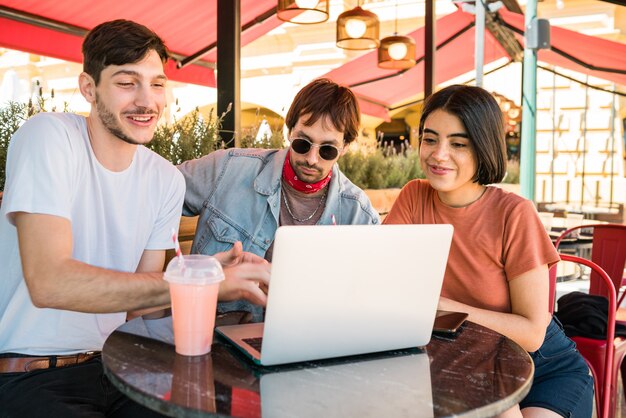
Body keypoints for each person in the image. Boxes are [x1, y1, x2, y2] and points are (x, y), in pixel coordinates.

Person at [0, 19, 269, 417]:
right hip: (35, 373)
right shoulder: (49, 137)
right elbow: (49, 283)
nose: (147, 101)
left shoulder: (164, 179)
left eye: (157, 83)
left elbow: (139, 311)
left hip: (122, 368)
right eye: (127, 82)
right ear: (89, 88)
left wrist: (206, 277)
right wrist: (199, 280)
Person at [384, 85, 593, 418]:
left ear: (483, 148)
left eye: (458, 144)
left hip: (544, 368)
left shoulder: (515, 213)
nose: (439, 154)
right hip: (470, 364)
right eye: (430, 139)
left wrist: (447, 308)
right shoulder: (414, 197)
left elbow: (532, 333)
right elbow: (380, 277)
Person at [178, 78, 380, 321]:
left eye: (328, 150)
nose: (312, 159)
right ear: (289, 132)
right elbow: (155, 191)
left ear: (345, 147)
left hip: (311, 339)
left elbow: (371, 296)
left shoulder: (358, 214)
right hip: (213, 334)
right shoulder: (228, 168)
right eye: (302, 144)